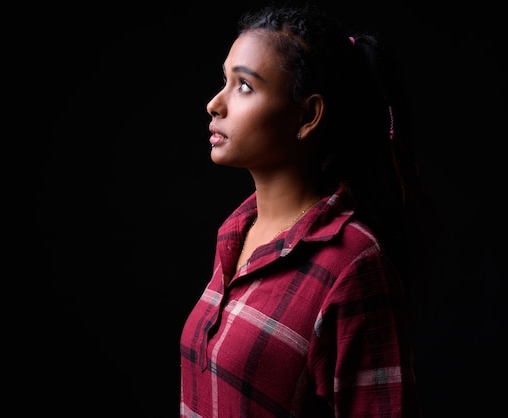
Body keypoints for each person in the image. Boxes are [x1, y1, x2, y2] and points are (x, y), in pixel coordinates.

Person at [180, 2, 430, 416]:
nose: (214, 104)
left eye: (244, 86)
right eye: (224, 81)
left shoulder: (353, 265)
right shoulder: (237, 232)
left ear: (309, 115)